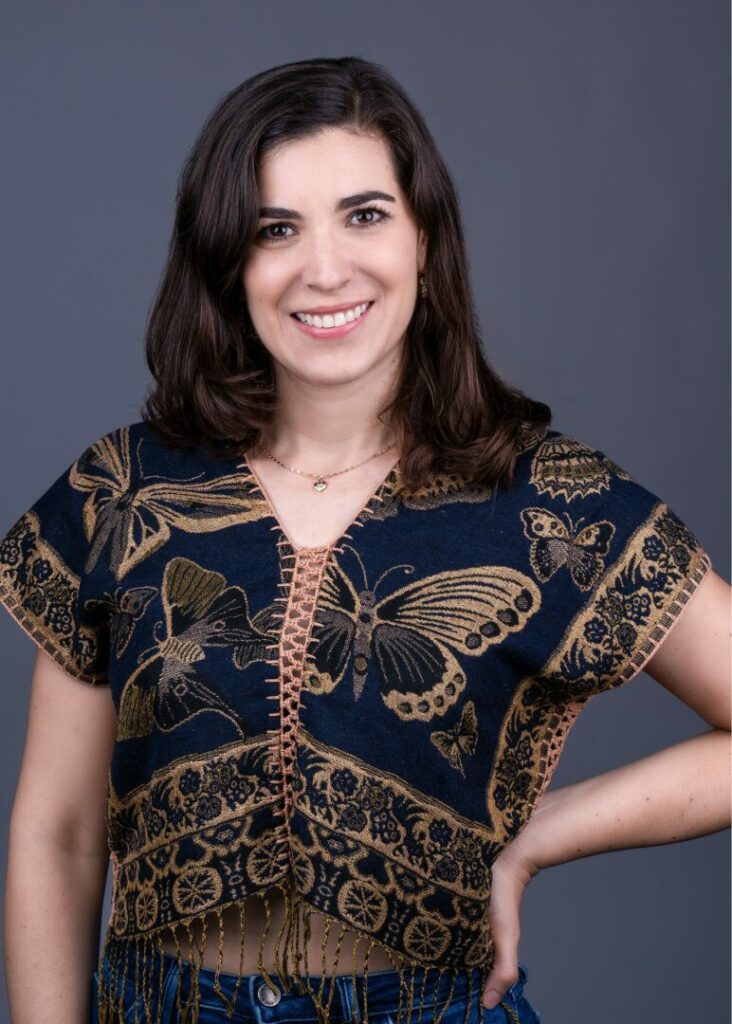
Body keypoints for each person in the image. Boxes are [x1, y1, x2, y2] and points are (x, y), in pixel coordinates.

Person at [1, 56, 729, 1024]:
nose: (325, 268)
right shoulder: (123, 493)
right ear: (227, 261)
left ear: (425, 239)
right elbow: (57, 834)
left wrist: (543, 834)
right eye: (275, 229)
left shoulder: (549, 501)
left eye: (365, 214)